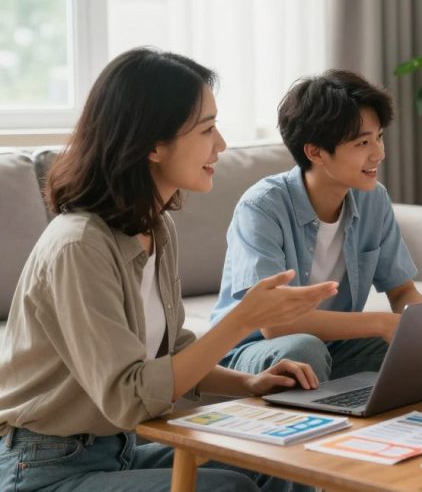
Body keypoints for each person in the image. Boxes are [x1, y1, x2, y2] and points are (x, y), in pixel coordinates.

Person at [0, 48, 338, 492]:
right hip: (44, 467)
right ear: (152, 144)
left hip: (117, 449)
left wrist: (249, 383)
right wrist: (243, 320)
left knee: (277, 460)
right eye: (207, 129)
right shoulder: (79, 245)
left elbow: (171, 355)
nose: (221, 145)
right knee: (226, 489)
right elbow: (130, 397)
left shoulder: (157, 228)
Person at [212, 69, 422, 383]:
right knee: (304, 350)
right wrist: (380, 323)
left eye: (378, 137)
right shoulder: (262, 207)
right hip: (250, 348)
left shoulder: (373, 200)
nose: (378, 153)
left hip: (333, 347)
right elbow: (274, 323)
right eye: (363, 142)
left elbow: (403, 290)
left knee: (413, 352)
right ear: (315, 152)